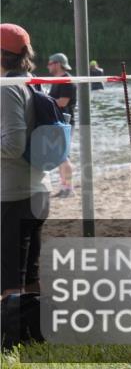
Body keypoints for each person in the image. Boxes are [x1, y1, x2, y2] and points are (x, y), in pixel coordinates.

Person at [1, 24, 48, 300]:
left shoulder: (7, 89)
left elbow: (13, 145)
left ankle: (13, 341)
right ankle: (33, 336)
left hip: (14, 195)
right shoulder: (32, 80)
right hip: (38, 189)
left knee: (10, 281)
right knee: (29, 276)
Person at [46, 53, 75, 198]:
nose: (48, 66)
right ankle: (64, 186)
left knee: (64, 156)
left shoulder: (66, 80)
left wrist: (45, 100)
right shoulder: (58, 80)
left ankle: (69, 188)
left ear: (57, 64)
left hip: (65, 122)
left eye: (50, 63)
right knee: (60, 156)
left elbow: (63, 102)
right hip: (59, 121)